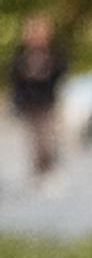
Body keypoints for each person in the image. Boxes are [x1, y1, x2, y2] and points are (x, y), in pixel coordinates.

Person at [9, 11, 68, 192]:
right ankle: (38, 173)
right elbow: (15, 79)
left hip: (47, 102)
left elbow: (61, 74)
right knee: (34, 140)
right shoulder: (21, 54)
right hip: (28, 103)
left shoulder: (54, 53)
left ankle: (50, 171)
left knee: (48, 138)